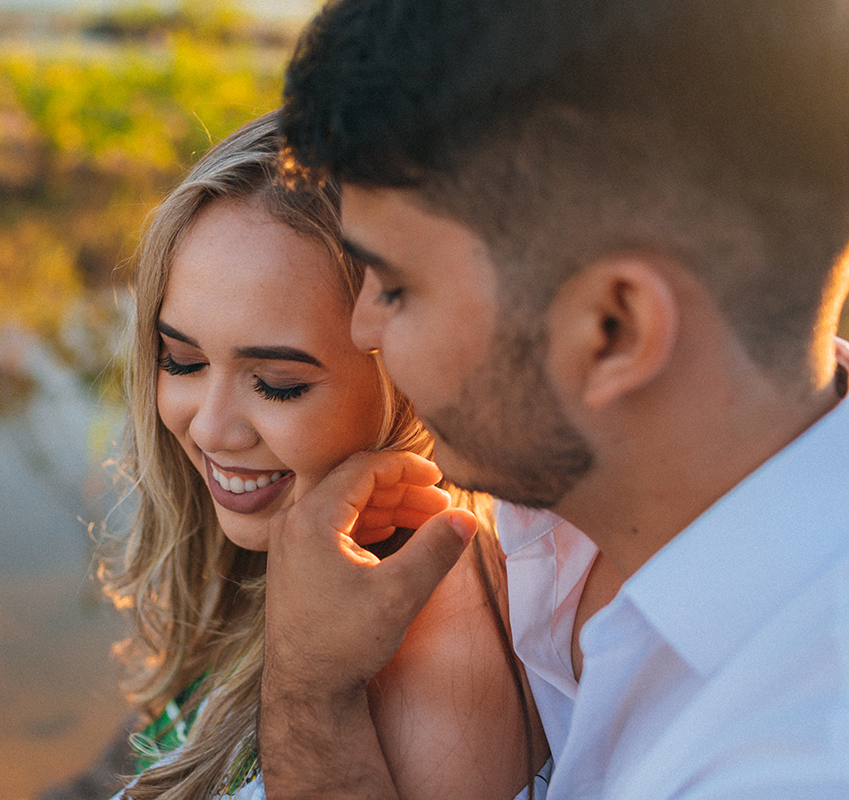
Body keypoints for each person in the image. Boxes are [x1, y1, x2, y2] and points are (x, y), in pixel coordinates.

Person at [260, 1, 849, 798]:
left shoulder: (790, 762)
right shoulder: (572, 499)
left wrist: (306, 695)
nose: (363, 327)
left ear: (613, 330)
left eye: (397, 286)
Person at [99, 111, 551, 800]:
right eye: (182, 361)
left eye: (277, 384)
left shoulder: (432, 651)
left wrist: (308, 688)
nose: (213, 428)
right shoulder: (281, 560)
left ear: (414, 375)